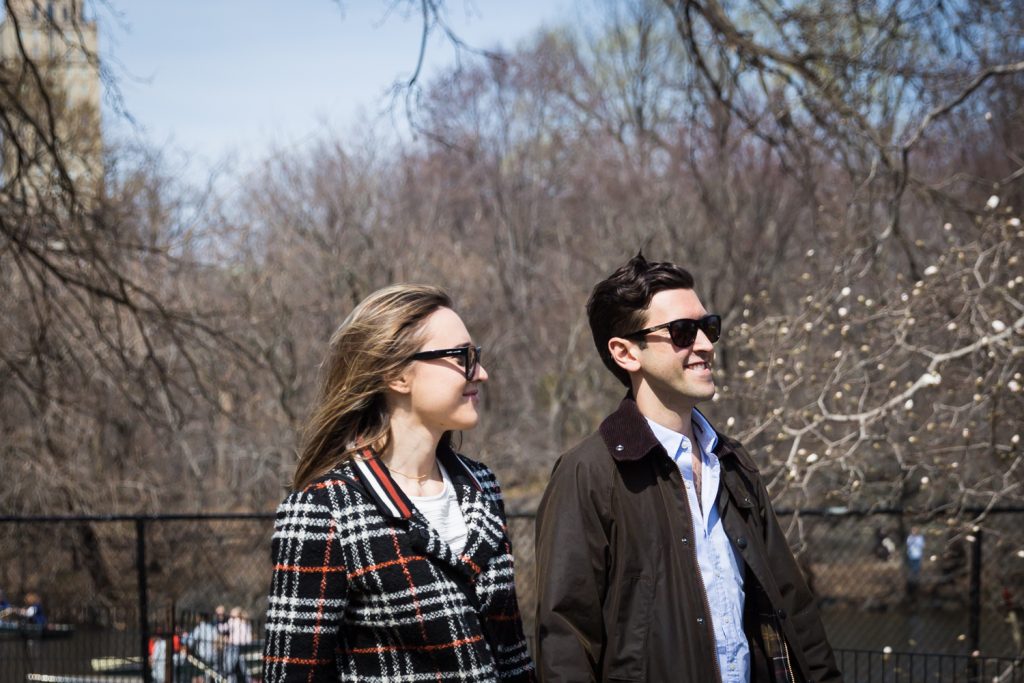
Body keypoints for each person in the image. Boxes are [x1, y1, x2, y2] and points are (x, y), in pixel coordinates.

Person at [535, 254, 840, 682]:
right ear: (625, 353)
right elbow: (565, 642)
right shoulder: (588, 474)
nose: (705, 345)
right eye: (682, 332)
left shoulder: (733, 464)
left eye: (708, 327)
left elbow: (793, 608)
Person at [262, 284, 535, 682]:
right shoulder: (324, 509)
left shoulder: (482, 486)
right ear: (396, 374)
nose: (481, 372)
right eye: (462, 357)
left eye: (476, 356)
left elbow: (512, 656)